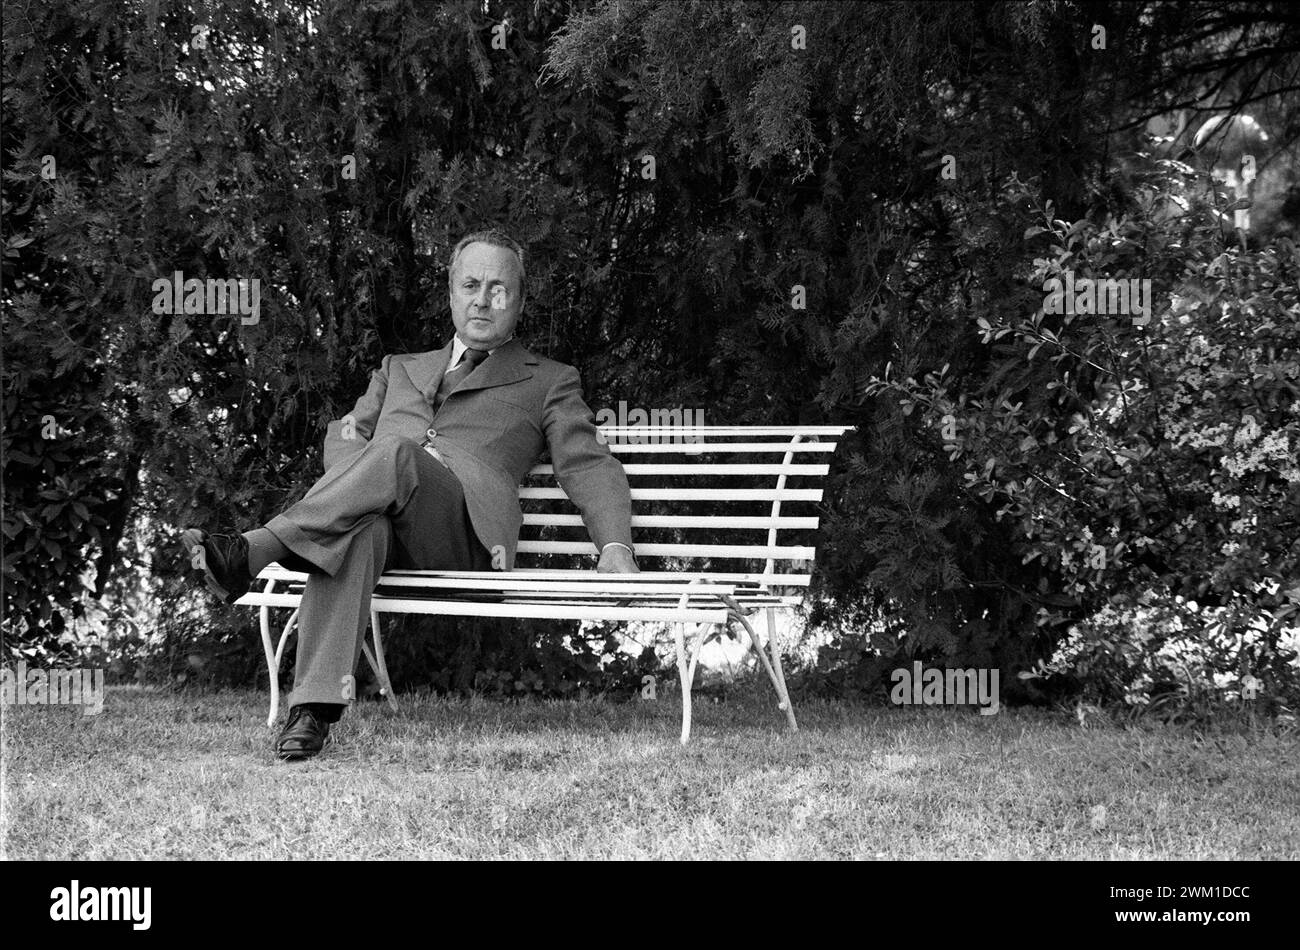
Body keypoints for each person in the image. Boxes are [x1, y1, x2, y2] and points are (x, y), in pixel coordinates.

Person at [182, 229, 637, 760]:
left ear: (518, 300)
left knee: (397, 452)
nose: (482, 299)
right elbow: (346, 434)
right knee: (360, 528)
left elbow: (587, 462)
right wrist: (365, 488)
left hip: (465, 537)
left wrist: (614, 546)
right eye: (470, 284)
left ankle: (256, 549)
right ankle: (312, 710)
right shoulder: (400, 367)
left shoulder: (550, 380)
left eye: (498, 288)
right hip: (385, 523)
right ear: (450, 293)